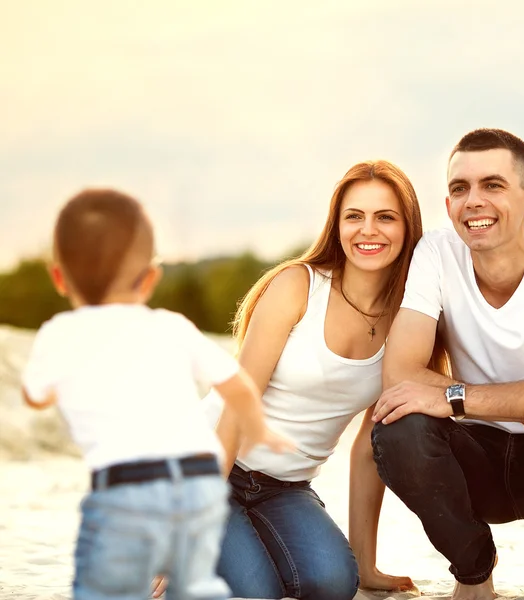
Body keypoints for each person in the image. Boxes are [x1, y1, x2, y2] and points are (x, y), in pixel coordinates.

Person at [21, 189, 292, 600]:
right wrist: (258, 428)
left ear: (58, 277)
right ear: (150, 277)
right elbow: (236, 383)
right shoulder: (172, 327)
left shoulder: (56, 335)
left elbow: (35, 396)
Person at [370, 128, 524, 599]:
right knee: (399, 428)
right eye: (460, 188)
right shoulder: (436, 252)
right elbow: (400, 375)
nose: (473, 200)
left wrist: (458, 397)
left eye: (492, 185)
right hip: (477, 455)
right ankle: (474, 570)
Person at [211, 160, 424, 600]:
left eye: (385, 217)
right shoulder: (298, 286)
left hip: (283, 488)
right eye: (354, 216)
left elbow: (370, 444)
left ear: (407, 228)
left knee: (333, 585)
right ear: (337, 224)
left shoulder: (408, 320)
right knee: (256, 593)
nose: (369, 231)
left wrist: (365, 564)